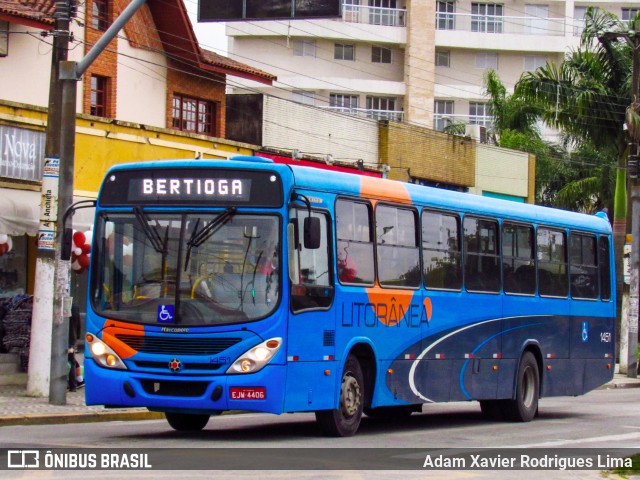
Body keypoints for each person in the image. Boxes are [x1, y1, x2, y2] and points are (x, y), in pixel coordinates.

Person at [68, 303, 84, 392]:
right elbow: (78, 324)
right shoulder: (74, 306)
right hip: (71, 338)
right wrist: (76, 336)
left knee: (70, 360)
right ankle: (74, 384)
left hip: (61, 337)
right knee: (71, 361)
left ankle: (75, 383)